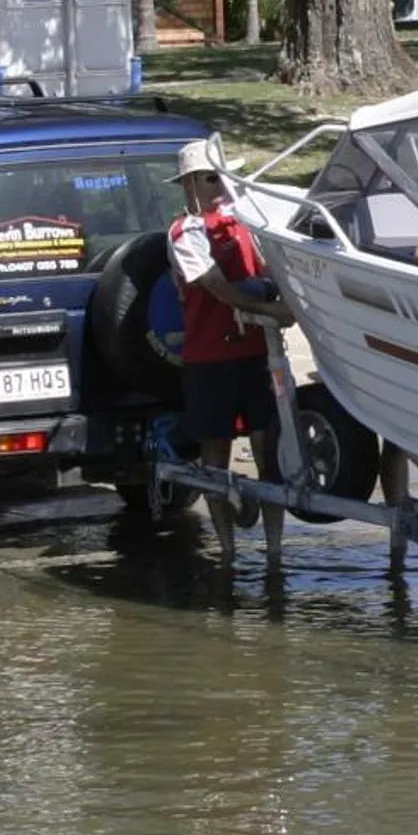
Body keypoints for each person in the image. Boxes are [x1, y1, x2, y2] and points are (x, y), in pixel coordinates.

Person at [167, 140, 297, 566]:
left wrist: (281, 297)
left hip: (254, 353)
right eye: (211, 177)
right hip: (209, 360)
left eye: (224, 176)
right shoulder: (185, 232)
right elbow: (219, 289)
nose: (222, 184)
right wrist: (273, 310)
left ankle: (275, 550)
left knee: (267, 449)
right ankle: (227, 551)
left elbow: (266, 270)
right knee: (216, 455)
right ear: (190, 184)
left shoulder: (240, 223)